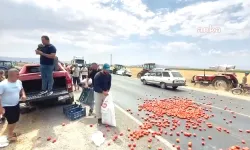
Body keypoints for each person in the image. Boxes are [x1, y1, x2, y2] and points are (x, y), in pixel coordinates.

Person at [0, 68, 26, 142]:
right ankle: (10, 136)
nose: (19, 75)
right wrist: (0, 108)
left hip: (16, 104)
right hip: (7, 106)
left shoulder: (19, 82)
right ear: (11, 75)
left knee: (15, 120)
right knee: (12, 121)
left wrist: (23, 95)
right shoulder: (2, 84)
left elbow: (22, 89)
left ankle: (10, 132)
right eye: (17, 74)